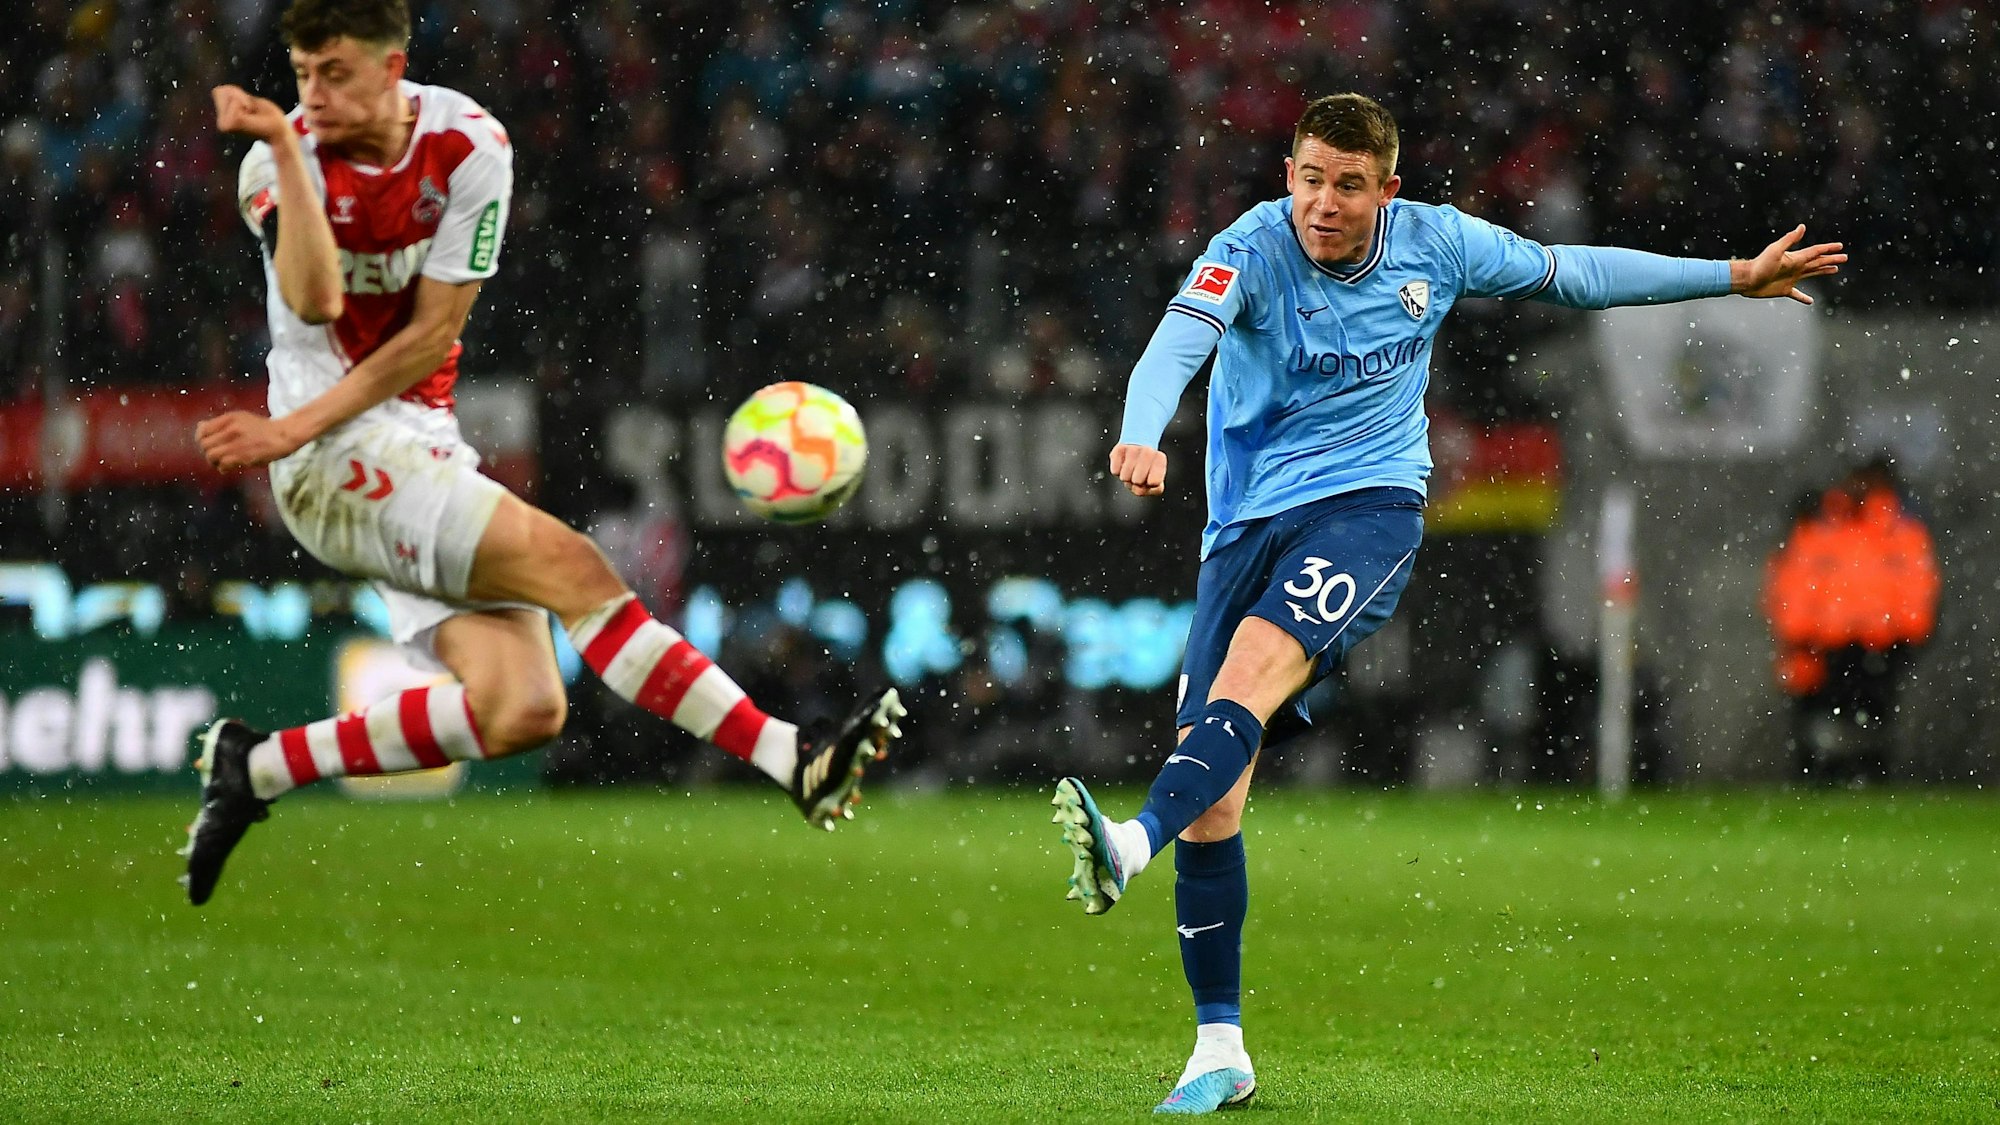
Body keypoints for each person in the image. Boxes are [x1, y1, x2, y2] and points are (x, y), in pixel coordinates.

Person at [1048, 92, 1844, 1114]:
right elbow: (1176, 338)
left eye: (1345, 185)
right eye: (1306, 178)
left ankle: (1124, 843)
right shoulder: (1246, 246)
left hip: (1365, 512)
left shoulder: (1437, 244)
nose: (1321, 203)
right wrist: (1140, 428)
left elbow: (1576, 276)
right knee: (1217, 797)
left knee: (1246, 675)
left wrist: (1730, 277)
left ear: (1387, 189)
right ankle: (1218, 1049)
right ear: (1285, 174)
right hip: (1241, 531)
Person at [180, 0, 904, 908]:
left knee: (524, 705)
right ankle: (792, 755)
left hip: (419, 444)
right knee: (578, 567)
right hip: (327, 454)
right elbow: (320, 301)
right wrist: (289, 156)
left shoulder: (469, 146)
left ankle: (262, 764)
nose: (315, 95)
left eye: (337, 72)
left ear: (393, 64)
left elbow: (431, 332)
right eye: (303, 75)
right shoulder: (272, 161)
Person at [1763, 457, 1938, 783]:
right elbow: (1793, 585)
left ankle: (1865, 779)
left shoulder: (1900, 530)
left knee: (1869, 722)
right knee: (1818, 724)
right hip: (1823, 647)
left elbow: (1917, 587)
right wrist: (1800, 637)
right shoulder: (1819, 526)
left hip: (1876, 647)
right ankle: (1824, 782)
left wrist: (1904, 636)